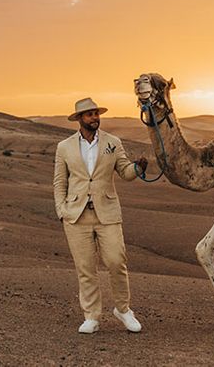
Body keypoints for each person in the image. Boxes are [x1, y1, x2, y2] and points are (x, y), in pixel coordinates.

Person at [53, 97, 149, 334]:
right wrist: (61, 210)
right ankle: (92, 317)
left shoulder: (113, 142)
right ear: (80, 119)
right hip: (76, 216)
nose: (95, 118)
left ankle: (123, 310)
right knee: (86, 268)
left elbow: (125, 172)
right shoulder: (64, 147)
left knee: (117, 262)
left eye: (97, 113)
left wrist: (138, 168)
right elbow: (59, 182)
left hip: (108, 214)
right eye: (90, 114)